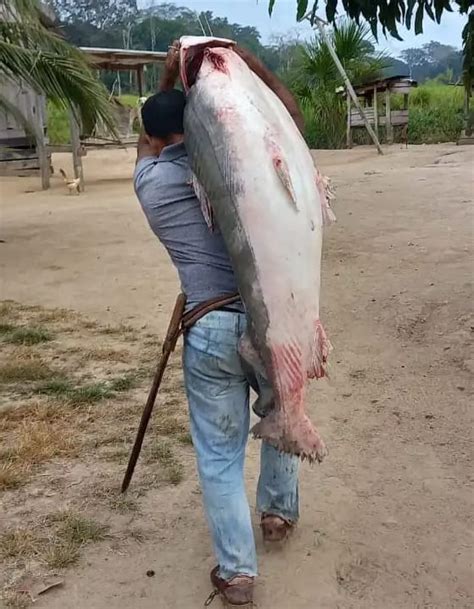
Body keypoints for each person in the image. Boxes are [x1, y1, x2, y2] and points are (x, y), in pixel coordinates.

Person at [133, 41, 304, 606]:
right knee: (282, 408)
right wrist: (250, 64)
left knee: (219, 455)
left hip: (207, 327)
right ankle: (277, 513)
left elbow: (148, 142)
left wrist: (167, 79)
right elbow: (292, 123)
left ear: (155, 138)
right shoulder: (241, 163)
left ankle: (237, 574)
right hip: (267, 320)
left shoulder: (152, 185)